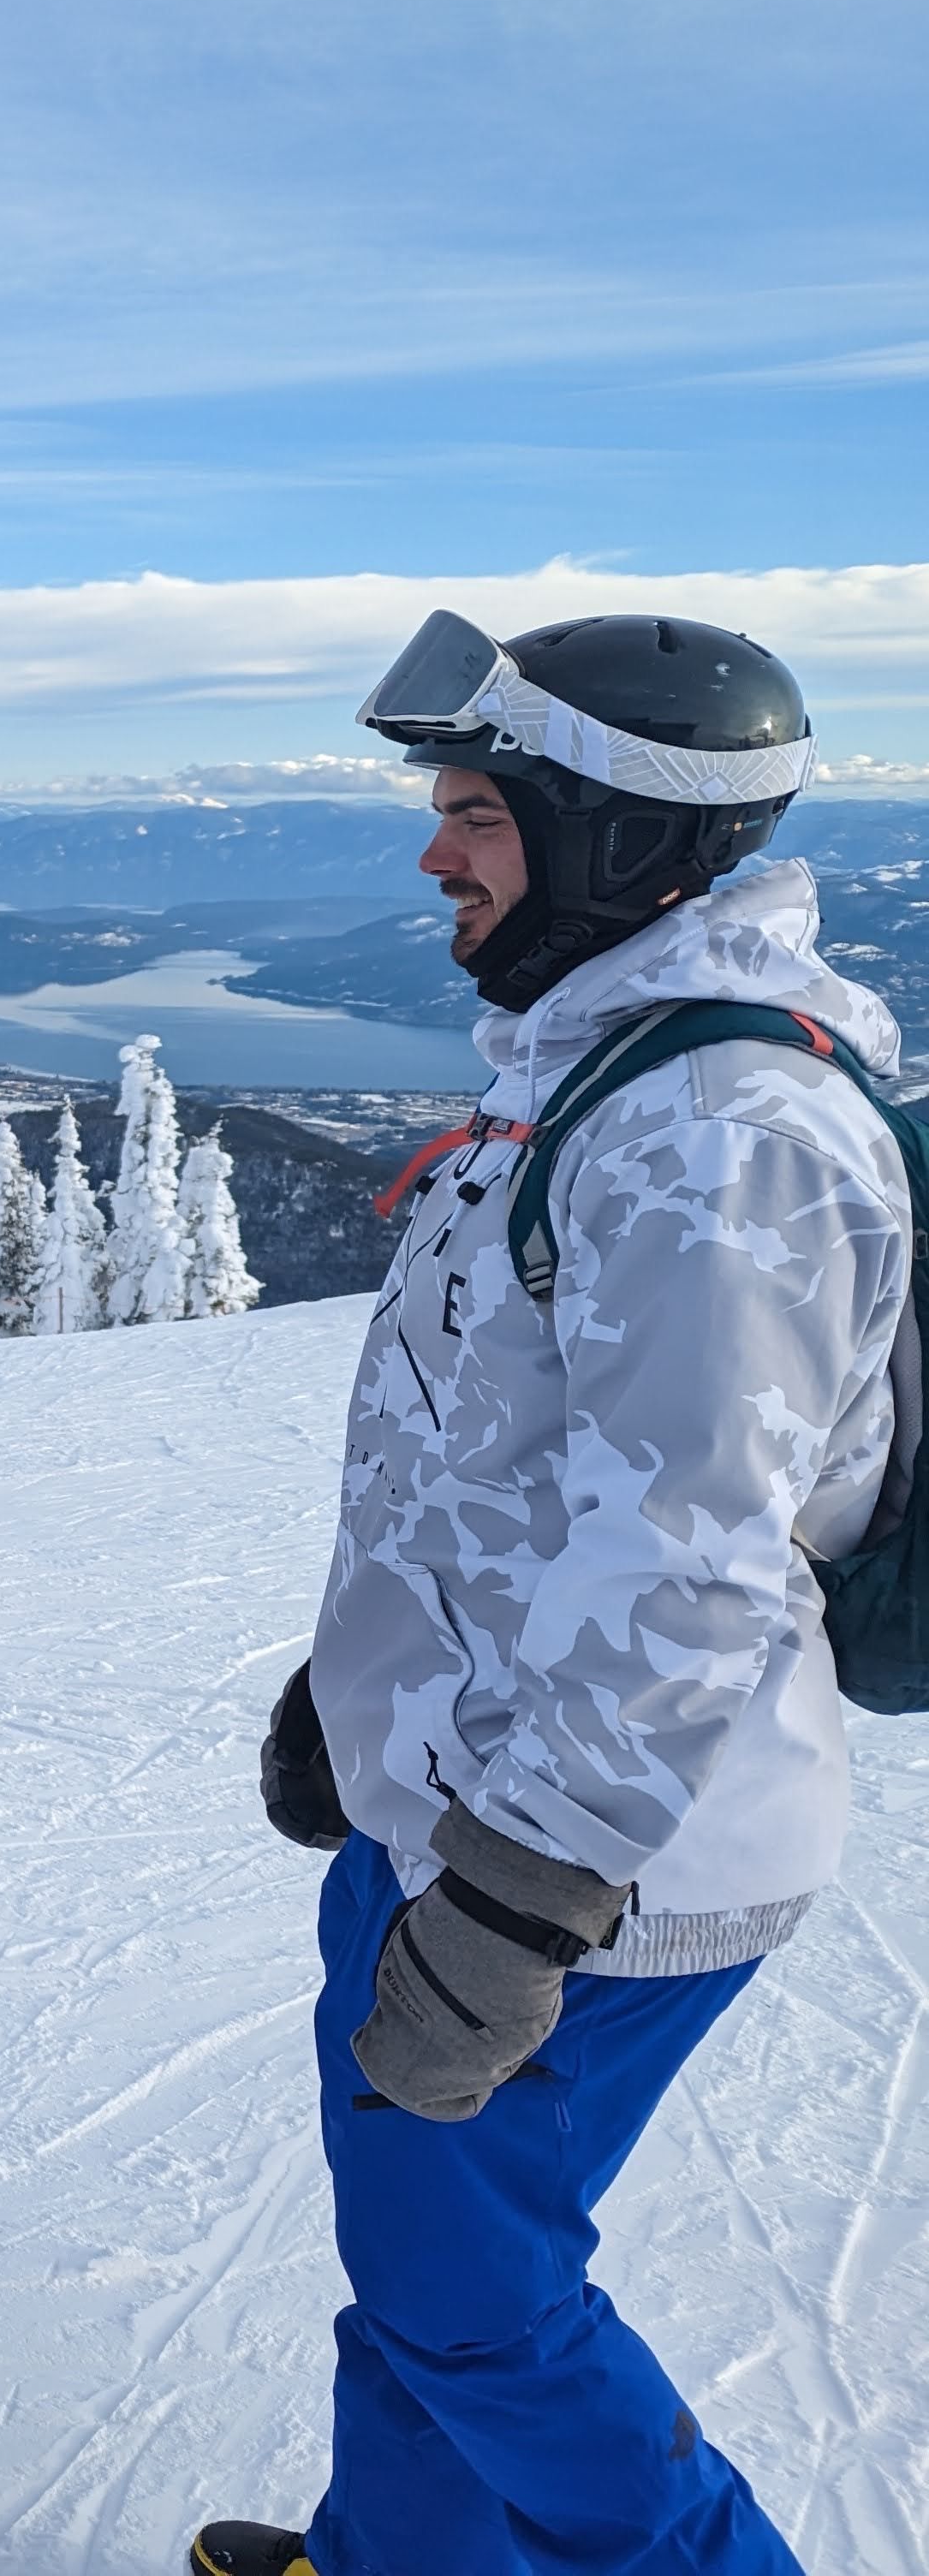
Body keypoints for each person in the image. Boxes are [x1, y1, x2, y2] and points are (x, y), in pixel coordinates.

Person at [194, 616, 908, 2576]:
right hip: (466, 1804)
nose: (439, 857)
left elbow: (690, 1562)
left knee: (473, 2298)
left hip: (594, 1876)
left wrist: (520, 1894)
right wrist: (353, 1696)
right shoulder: (594, 1073)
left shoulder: (724, 1137)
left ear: (618, 837)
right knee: (417, 2266)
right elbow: (496, 1462)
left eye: (482, 815)